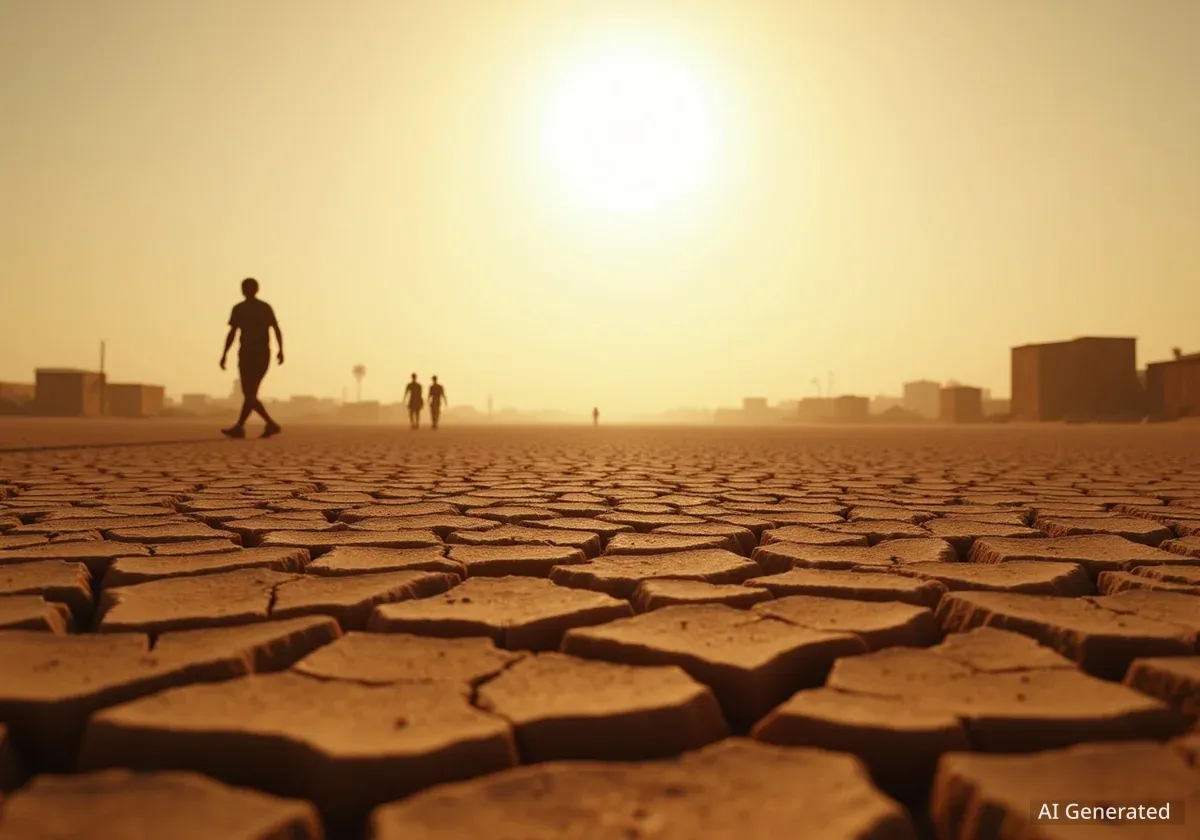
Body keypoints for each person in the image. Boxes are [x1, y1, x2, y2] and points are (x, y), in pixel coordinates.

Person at [219, 278, 283, 438]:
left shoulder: (263, 308)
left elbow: (276, 328)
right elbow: (233, 333)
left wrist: (281, 350)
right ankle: (266, 424)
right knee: (249, 393)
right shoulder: (239, 309)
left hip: (260, 354)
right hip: (246, 354)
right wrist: (225, 353)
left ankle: (243, 426)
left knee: (250, 393)